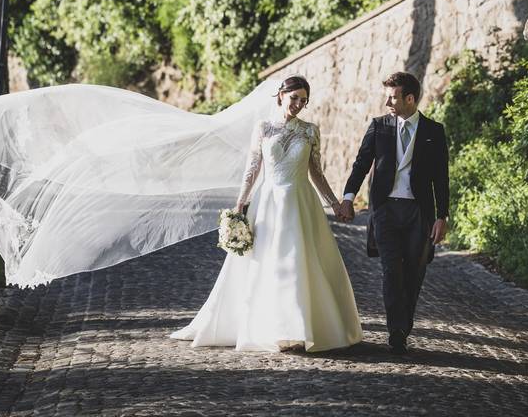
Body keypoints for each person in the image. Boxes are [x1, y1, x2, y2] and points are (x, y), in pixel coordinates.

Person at [170, 76, 363, 352]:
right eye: (294, 97)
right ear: (281, 95)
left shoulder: (310, 131)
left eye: (303, 100)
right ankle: (272, 328)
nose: (298, 104)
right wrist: (240, 203)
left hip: (300, 202)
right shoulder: (263, 128)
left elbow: (316, 173)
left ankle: (299, 329)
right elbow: (252, 168)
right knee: (266, 262)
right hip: (268, 202)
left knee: (299, 261)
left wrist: (334, 203)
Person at [339, 71, 449, 355]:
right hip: (385, 210)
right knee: (391, 271)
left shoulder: (434, 132)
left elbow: (441, 176)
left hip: (418, 213)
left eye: (393, 97)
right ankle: (396, 331)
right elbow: (361, 164)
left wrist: (442, 216)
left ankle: (404, 323)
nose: (387, 101)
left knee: (415, 272)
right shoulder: (379, 126)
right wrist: (348, 197)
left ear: (409, 98)